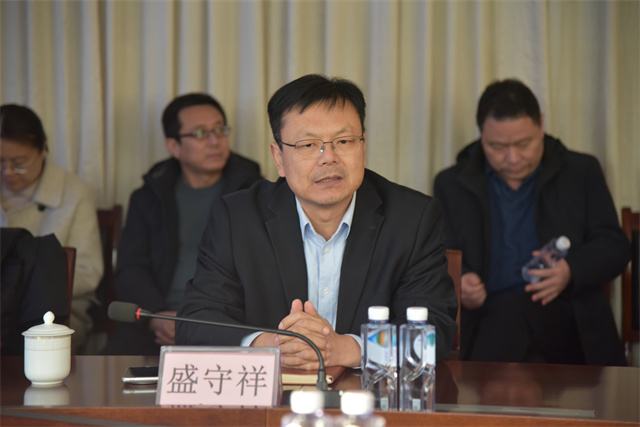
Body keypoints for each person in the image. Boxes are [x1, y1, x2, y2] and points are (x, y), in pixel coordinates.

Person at [176, 74, 458, 368]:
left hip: (367, 391)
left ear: (363, 147)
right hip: (274, 392)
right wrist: (271, 345)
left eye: (344, 141)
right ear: (279, 158)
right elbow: (195, 323)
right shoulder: (237, 218)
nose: (328, 158)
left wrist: (348, 349)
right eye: (308, 145)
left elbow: (434, 330)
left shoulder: (412, 219)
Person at [433, 79, 629, 366]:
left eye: (523, 144)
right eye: (497, 146)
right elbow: (436, 257)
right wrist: (460, 281)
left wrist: (571, 270)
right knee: (510, 319)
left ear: (541, 124)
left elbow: (615, 247)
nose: (512, 158)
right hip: (486, 320)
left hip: (566, 318)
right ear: (481, 133)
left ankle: (473, 395)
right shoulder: (452, 184)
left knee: (515, 311)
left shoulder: (580, 171)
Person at [104, 93, 262, 355]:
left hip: (232, 322)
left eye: (220, 129)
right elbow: (131, 268)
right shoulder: (150, 197)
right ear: (173, 146)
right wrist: (157, 316)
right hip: (161, 320)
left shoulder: (255, 193)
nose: (215, 141)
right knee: (109, 369)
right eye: (200, 133)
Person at [0, 104, 103, 352]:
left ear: (43, 149)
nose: (8, 172)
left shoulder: (74, 193)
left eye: (19, 163)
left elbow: (88, 273)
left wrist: (20, 288)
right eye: (0, 162)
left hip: (53, 310)